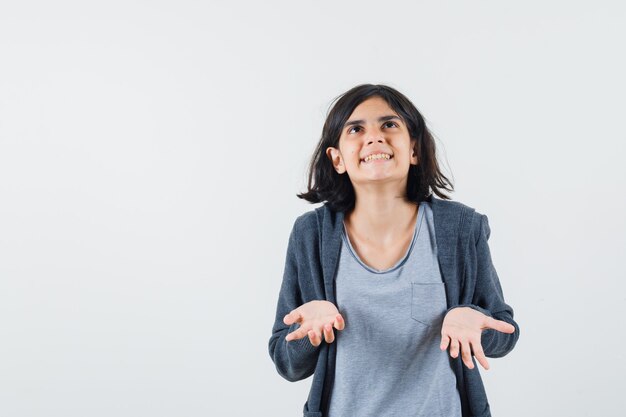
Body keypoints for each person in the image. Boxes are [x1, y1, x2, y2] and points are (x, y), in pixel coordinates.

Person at [268, 84, 520, 417]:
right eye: (356, 129)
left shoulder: (460, 228)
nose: (374, 137)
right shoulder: (312, 235)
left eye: (389, 125)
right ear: (337, 158)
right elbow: (287, 363)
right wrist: (309, 335)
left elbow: (504, 331)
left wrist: (477, 322)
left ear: (414, 149)